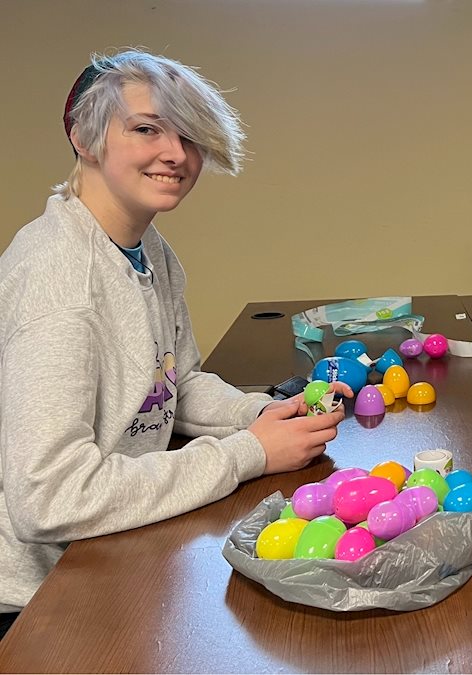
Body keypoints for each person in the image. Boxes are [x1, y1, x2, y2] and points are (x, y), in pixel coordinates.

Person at [0, 50, 349, 633]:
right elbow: (50, 497)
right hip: (43, 603)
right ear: (86, 138)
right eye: (146, 129)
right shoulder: (60, 281)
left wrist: (259, 414)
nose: (176, 154)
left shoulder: (151, 252)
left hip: (117, 551)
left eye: (189, 135)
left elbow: (173, 385)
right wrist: (248, 453)